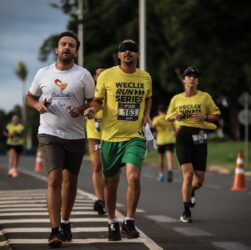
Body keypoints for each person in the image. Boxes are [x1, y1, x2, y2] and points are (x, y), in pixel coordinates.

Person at [26, 31, 95, 248]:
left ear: (76, 50)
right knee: (54, 178)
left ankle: (66, 221)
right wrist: (37, 105)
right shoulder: (43, 73)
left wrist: (82, 109)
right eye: (63, 44)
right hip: (49, 133)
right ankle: (55, 230)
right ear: (57, 49)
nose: (67, 48)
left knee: (70, 182)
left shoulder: (83, 75)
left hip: (75, 135)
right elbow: (30, 97)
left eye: (71, 45)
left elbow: (94, 102)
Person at [84, 39, 152, 241]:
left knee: (133, 176)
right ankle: (112, 222)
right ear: (119, 55)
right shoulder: (106, 75)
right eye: (124, 50)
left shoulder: (145, 77)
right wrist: (91, 109)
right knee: (111, 183)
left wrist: (146, 115)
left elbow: (148, 97)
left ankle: (129, 221)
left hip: (134, 136)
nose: (128, 52)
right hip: (111, 137)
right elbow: (97, 101)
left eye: (132, 50)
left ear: (138, 55)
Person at [166, 66, 220, 223]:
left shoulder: (205, 97)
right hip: (183, 136)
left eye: (195, 76)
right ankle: (186, 210)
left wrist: (205, 117)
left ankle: (191, 192)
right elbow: (168, 117)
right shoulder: (176, 99)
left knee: (199, 180)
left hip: (200, 136)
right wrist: (176, 115)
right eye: (188, 76)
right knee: (188, 175)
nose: (192, 78)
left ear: (197, 80)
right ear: (184, 80)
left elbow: (216, 116)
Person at [86, 66, 107, 215]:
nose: (101, 76)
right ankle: (99, 199)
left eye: (104, 74)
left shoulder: (112, 90)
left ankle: (106, 198)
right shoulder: (89, 92)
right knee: (96, 166)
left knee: (109, 168)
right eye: (99, 74)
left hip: (110, 134)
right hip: (94, 134)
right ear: (94, 77)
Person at [152, 104, 176, 182]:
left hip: (161, 140)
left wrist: (156, 131)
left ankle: (161, 174)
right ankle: (170, 171)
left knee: (161, 157)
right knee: (169, 156)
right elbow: (175, 128)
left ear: (159, 111)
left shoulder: (157, 118)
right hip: (170, 139)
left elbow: (153, 126)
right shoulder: (169, 118)